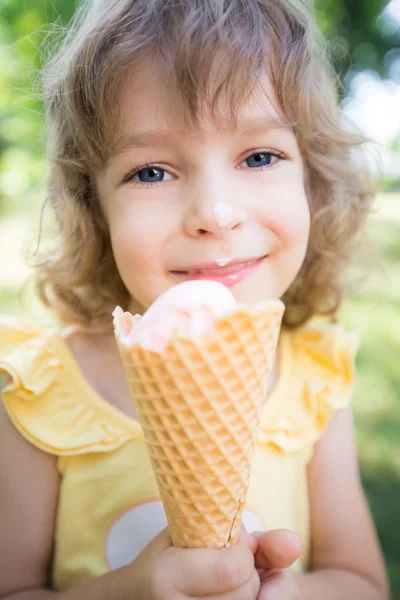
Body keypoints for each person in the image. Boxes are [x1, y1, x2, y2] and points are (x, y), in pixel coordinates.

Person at [0, 0, 389, 598]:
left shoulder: (313, 383)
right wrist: (127, 591)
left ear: (311, 179)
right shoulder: (42, 393)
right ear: (95, 209)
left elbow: (361, 581)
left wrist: (292, 594)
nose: (214, 213)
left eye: (260, 156)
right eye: (151, 172)